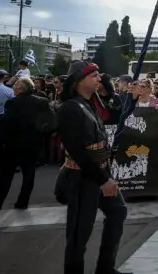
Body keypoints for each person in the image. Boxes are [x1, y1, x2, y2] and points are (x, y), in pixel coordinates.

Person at [54, 60, 130, 274]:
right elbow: (77, 151)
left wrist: (106, 175)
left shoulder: (90, 103)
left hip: (99, 172)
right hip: (82, 177)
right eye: (94, 76)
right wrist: (103, 180)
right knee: (79, 233)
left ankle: (105, 268)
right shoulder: (70, 108)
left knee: (118, 211)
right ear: (79, 81)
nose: (99, 79)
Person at [0, 77, 52, 215]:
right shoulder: (42, 102)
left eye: (15, 85)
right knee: (29, 175)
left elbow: (7, 123)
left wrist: (1, 140)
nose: (13, 88)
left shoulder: (12, 102)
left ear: (21, 88)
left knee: (5, 177)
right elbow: (50, 121)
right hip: (33, 144)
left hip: (13, 144)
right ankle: (22, 202)